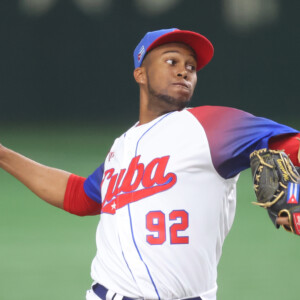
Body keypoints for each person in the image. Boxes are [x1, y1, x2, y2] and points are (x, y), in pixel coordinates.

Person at [0, 28, 299, 300]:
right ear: (140, 74)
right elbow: (81, 197)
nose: (184, 71)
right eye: (172, 61)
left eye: (191, 67)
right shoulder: (122, 146)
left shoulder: (211, 125)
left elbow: (290, 145)